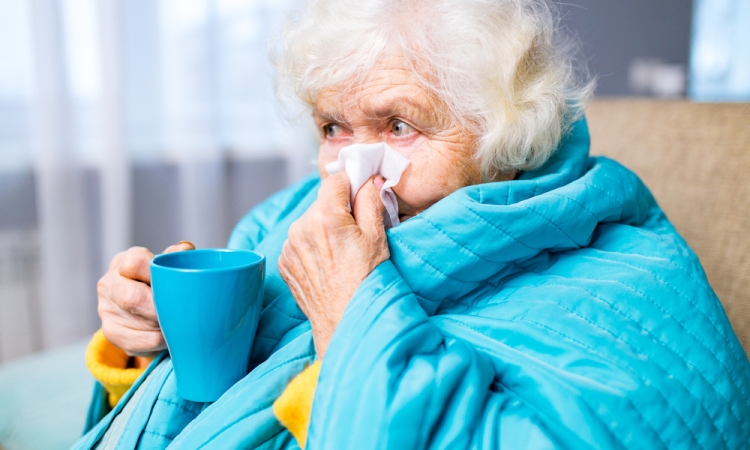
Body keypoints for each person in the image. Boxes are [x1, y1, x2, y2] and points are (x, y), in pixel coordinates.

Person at [76, 0, 750, 448]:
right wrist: (143, 343)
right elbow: (210, 400)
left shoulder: (619, 272)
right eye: (333, 127)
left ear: (504, 135)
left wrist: (353, 315)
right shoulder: (288, 217)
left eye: (399, 125)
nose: (355, 169)